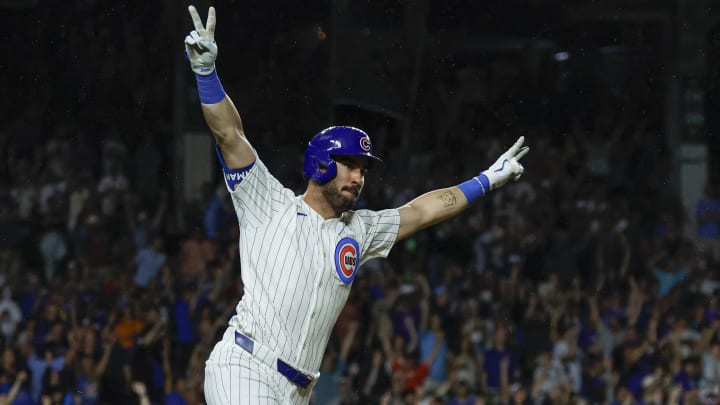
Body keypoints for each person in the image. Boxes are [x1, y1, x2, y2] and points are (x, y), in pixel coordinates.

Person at [183, 5, 530, 405]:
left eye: (363, 169)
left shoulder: (359, 230)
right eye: (349, 164)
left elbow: (422, 211)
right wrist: (206, 74)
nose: (358, 177)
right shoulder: (268, 201)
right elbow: (229, 135)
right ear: (320, 163)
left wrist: (484, 181)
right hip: (245, 367)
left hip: (298, 390)